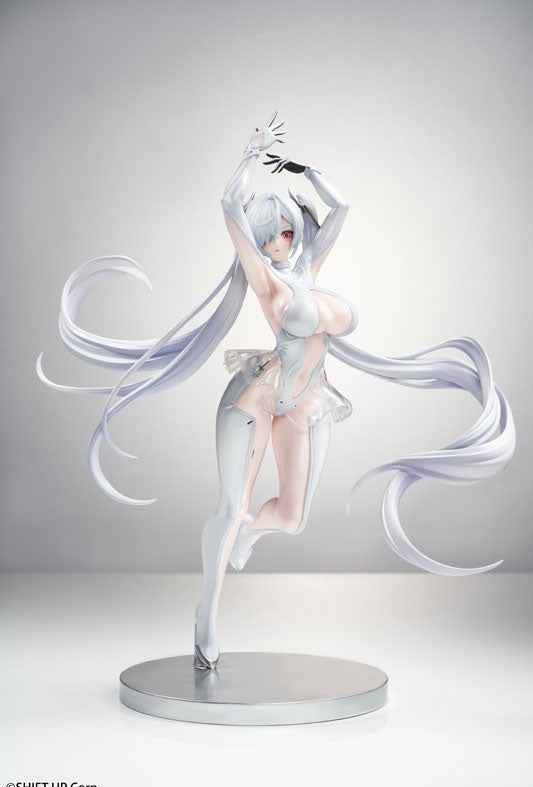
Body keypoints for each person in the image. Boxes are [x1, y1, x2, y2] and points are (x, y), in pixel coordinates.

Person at [36, 113, 516, 671]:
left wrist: (304, 169)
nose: (278, 242)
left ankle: (246, 535)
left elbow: (342, 208)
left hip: (305, 399)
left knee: (291, 517)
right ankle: (207, 617)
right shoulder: (264, 279)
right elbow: (228, 205)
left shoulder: (310, 265)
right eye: (268, 236)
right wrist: (249, 154)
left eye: (285, 231)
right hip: (256, 399)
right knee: (231, 506)